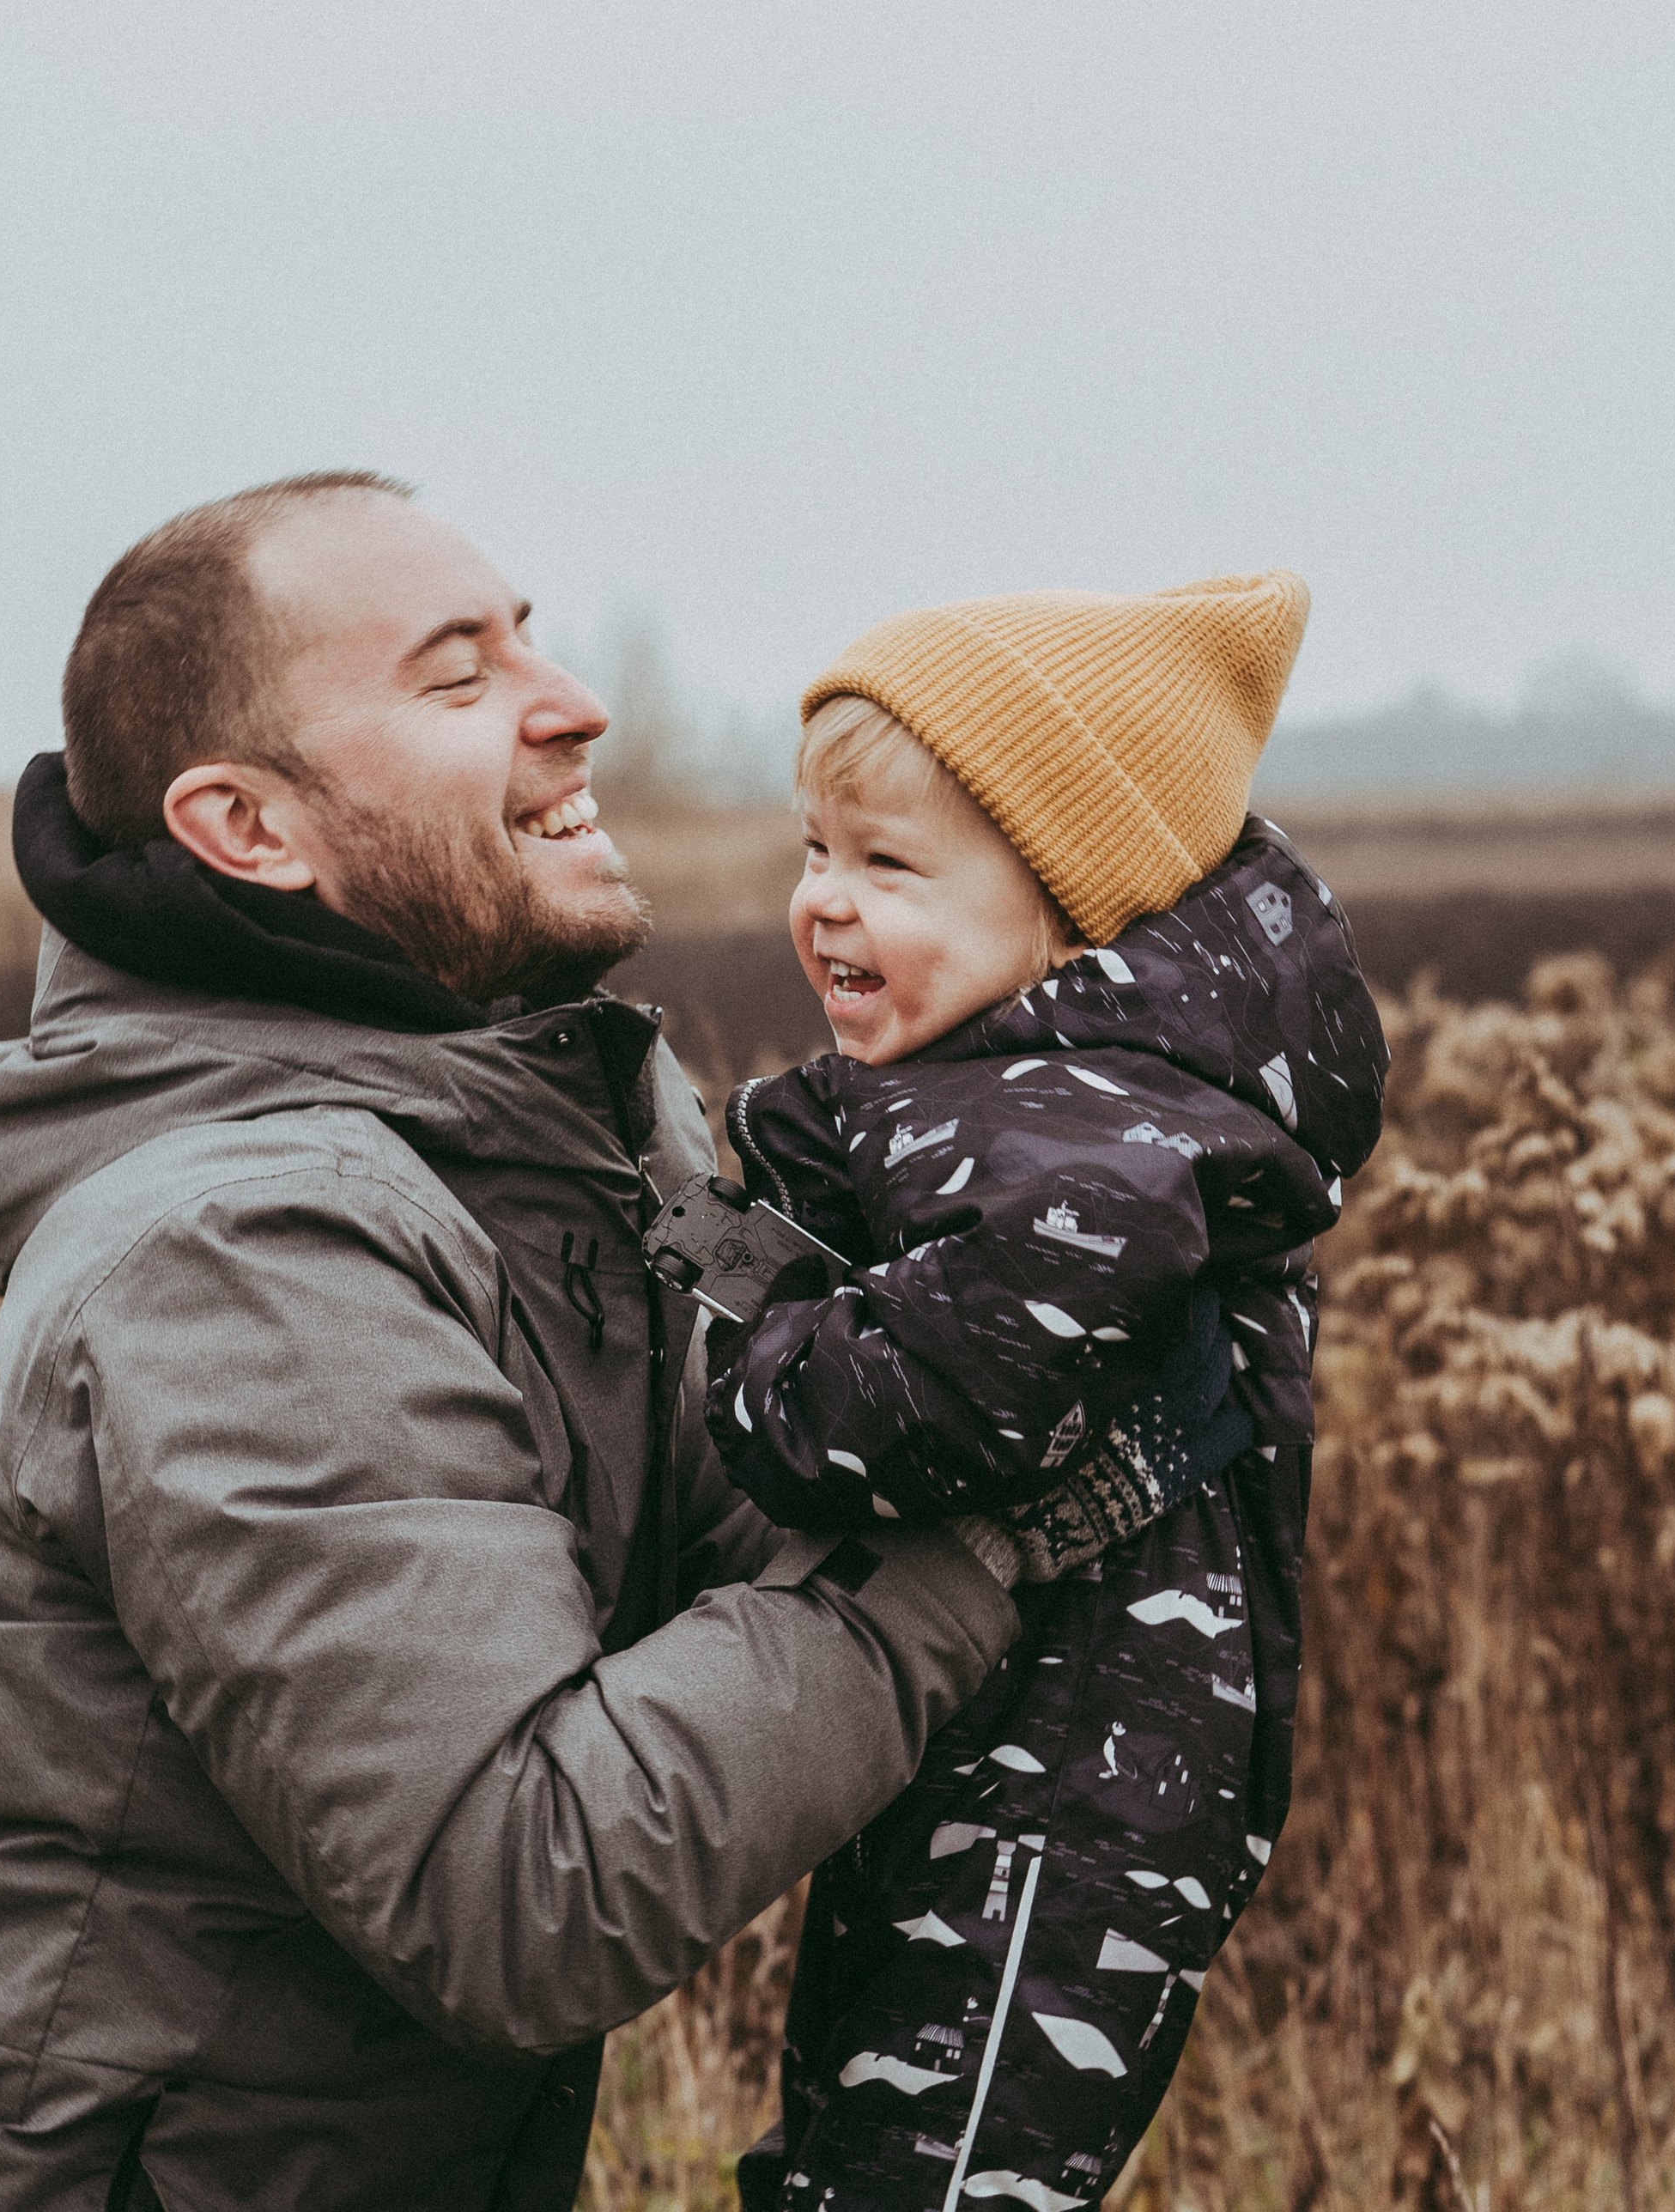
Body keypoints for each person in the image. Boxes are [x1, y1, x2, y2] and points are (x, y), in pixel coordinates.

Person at [0, 472, 1023, 2212]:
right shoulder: (241, 1246)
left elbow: (765, 1529)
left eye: (526, 638)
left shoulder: (563, 1133)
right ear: (249, 829)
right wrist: (994, 1532)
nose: (573, 704)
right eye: (456, 677)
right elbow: (520, 1893)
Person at [704, 575, 1387, 2212]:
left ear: (1073, 909)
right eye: (814, 851)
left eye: (887, 866)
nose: (824, 906)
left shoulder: (1083, 1141)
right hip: (1000, 1748)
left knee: (938, 2169)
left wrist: (745, 1360)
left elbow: (930, 1401)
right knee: (856, 2128)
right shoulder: (1018, 1081)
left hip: (1081, 1798)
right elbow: (815, 1133)